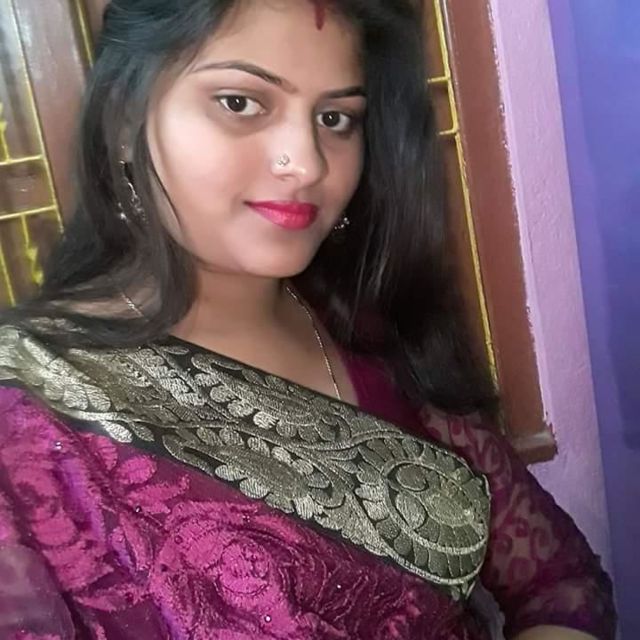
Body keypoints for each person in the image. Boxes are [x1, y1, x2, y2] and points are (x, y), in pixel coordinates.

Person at [0, 0, 616, 638]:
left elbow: (559, 582)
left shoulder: (367, 330)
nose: (308, 163)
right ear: (124, 117)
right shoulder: (26, 421)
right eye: (240, 103)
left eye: (335, 118)